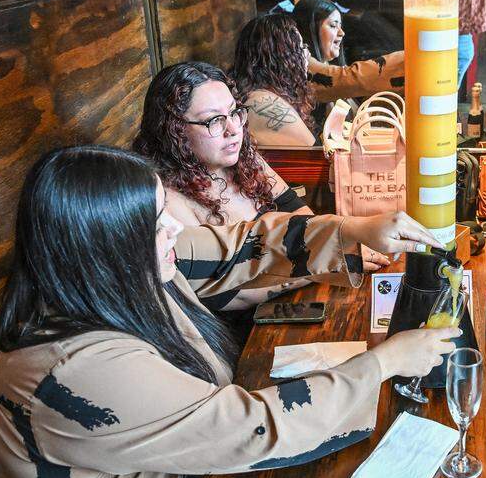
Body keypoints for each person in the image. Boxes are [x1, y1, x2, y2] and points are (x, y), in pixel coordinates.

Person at [0, 145, 458, 478]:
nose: (173, 227)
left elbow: (238, 248)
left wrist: (352, 230)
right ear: (101, 243)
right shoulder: (71, 371)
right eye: (153, 219)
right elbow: (251, 429)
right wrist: (385, 363)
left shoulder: (114, 279)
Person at [133, 61, 388, 314]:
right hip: (247, 327)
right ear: (174, 130)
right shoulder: (168, 201)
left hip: (296, 298)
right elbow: (229, 297)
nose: (233, 129)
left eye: (234, 113)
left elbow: (297, 212)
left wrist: (335, 247)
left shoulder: (243, 157)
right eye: (213, 120)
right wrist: (320, 264)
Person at [287, 0, 405, 105]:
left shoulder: (327, 67)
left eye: (340, 26)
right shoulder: (302, 69)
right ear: (309, 29)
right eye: (333, 25)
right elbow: (346, 79)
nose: (341, 33)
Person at [231, 14, 321, 146]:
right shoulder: (263, 101)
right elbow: (315, 158)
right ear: (283, 58)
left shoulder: (255, 95)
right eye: (301, 48)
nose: (307, 54)